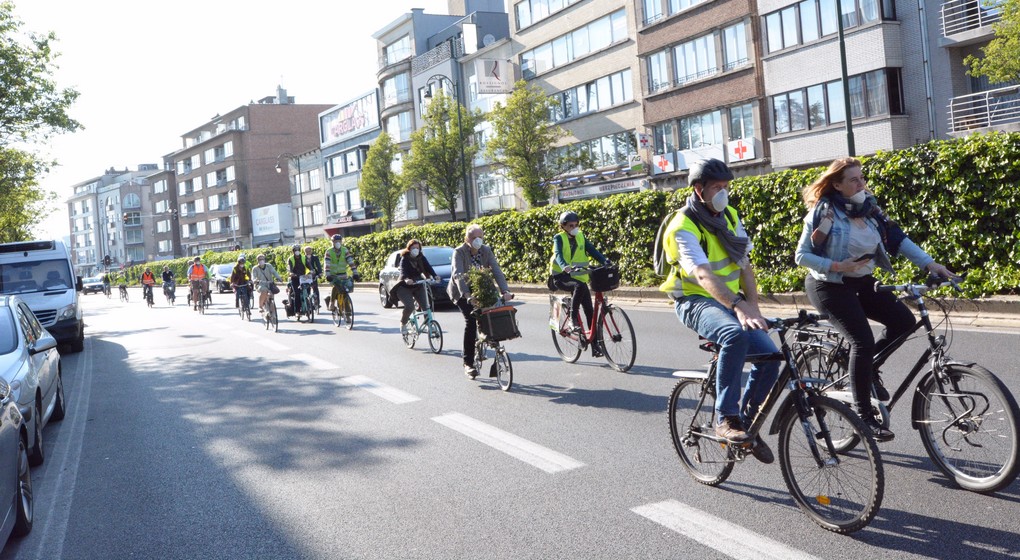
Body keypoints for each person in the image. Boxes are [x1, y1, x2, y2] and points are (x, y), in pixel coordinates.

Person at [794, 157, 958, 442]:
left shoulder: (871, 210)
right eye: (854, 180)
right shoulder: (823, 212)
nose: (862, 184)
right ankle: (864, 416)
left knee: (904, 322)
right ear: (837, 185)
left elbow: (898, 240)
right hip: (829, 285)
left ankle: (868, 369)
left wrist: (931, 265)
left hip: (862, 281)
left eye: (862, 178)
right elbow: (802, 256)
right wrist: (837, 266)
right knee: (862, 341)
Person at [659, 158, 776, 464]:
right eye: (717, 187)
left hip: (729, 300)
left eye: (726, 186)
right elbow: (701, 274)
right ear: (699, 190)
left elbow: (745, 267)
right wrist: (738, 307)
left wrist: (754, 309)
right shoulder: (682, 225)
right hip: (694, 300)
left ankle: (746, 425)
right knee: (733, 334)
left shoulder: (730, 215)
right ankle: (727, 418)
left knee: (771, 357)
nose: (724, 193)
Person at [448, 224, 514, 379]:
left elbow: (496, 270)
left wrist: (505, 291)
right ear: (467, 238)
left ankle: (496, 350)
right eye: (473, 237)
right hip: (462, 292)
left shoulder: (486, 250)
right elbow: (458, 275)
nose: (477, 240)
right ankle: (468, 364)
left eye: (480, 237)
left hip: (482, 289)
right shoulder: (459, 252)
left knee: (494, 315)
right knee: (470, 321)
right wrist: (467, 295)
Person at [549, 210, 610, 358]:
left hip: (578, 276)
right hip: (561, 277)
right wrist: (564, 266)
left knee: (590, 311)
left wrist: (605, 261)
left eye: (576, 224)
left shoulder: (580, 236)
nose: (574, 227)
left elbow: (592, 250)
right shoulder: (559, 238)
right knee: (578, 287)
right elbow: (558, 254)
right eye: (571, 225)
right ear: (563, 226)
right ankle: (573, 319)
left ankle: (595, 345)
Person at [391, 239, 439, 334]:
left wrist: (435, 276)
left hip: (418, 284)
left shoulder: (422, 258)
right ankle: (403, 323)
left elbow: (428, 267)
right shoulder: (404, 258)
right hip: (404, 287)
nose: (416, 250)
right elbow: (403, 271)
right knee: (410, 307)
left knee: (426, 306)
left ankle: (429, 325)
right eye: (413, 248)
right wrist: (407, 279)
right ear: (409, 249)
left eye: (417, 248)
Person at [324, 234, 358, 311]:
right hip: (333, 275)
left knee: (345, 292)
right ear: (332, 242)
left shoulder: (345, 250)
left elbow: (351, 262)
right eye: (336, 241)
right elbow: (327, 264)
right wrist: (328, 275)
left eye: (339, 241)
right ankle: (331, 302)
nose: (338, 243)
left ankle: (348, 313)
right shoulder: (329, 252)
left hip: (343, 275)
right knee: (335, 286)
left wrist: (355, 273)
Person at [286, 244, 316, 314]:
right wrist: (291, 273)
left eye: (298, 250)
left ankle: (309, 305)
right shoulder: (290, 259)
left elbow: (309, 265)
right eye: (295, 250)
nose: (297, 251)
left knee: (308, 290)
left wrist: (312, 270)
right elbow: (289, 269)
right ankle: (297, 311)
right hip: (295, 278)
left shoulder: (304, 257)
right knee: (297, 293)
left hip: (304, 277)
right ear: (293, 251)